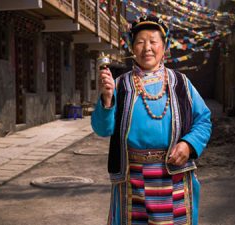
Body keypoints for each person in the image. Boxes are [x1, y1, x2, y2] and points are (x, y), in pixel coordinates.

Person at [91, 15, 211, 225]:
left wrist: (188, 144)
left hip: (173, 173)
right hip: (132, 177)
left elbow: (204, 120)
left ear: (164, 48)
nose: (147, 47)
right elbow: (102, 129)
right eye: (140, 41)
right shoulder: (120, 85)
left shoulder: (181, 83)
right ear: (132, 48)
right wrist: (107, 98)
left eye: (153, 41)